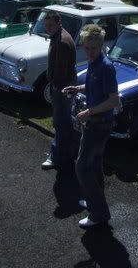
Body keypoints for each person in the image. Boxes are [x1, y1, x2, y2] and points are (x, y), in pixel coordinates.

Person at [63, 24, 119, 228]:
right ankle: (94, 200)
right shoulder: (94, 62)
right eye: (86, 48)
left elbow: (114, 100)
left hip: (99, 124)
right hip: (93, 122)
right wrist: (77, 88)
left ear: (100, 46)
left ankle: (99, 213)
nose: (88, 52)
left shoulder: (105, 66)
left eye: (92, 48)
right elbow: (95, 87)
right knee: (93, 164)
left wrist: (89, 112)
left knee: (82, 166)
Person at [41, 11, 79, 171]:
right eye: (46, 25)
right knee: (65, 121)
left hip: (62, 87)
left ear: (58, 23)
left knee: (61, 122)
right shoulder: (59, 36)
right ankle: (67, 152)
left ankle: (57, 156)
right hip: (64, 86)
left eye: (51, 25)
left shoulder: (61, 41)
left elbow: (60, 73)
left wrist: (53, 85)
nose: (48, 28)